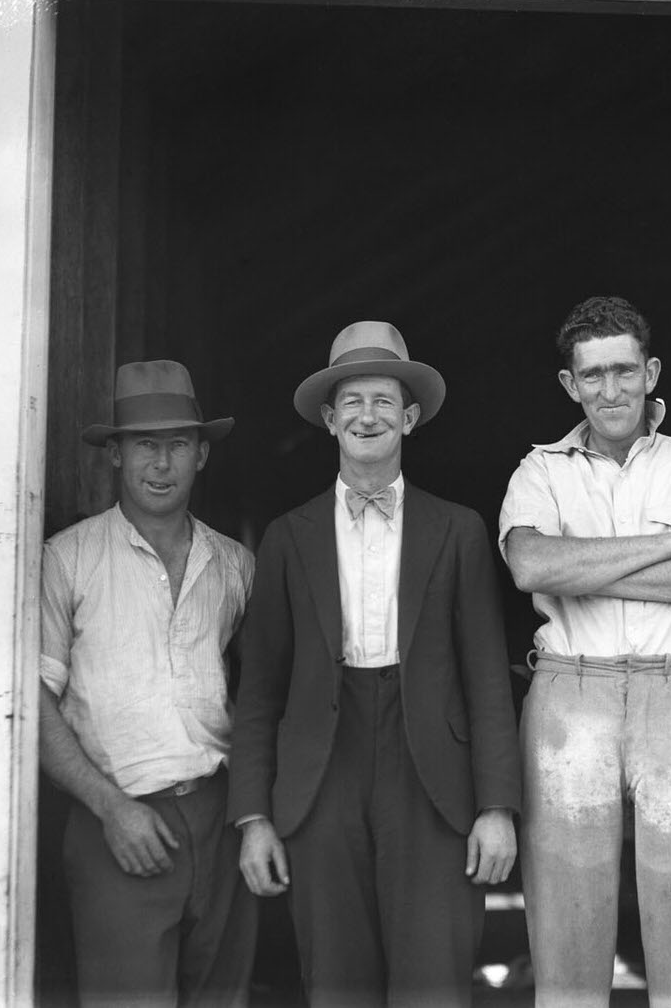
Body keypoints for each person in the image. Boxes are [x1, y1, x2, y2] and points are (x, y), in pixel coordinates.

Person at [229, 320, 521, 1008]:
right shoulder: (286, 537)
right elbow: (259, 689)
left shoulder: (459, 530)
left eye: (384, 401)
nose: (368, 416)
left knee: (435, 980)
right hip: (320, 770)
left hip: (433, 774)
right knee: (336, 979)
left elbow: (486, 674)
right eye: (353, 402)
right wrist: (253, 817)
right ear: (330, 420)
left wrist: (497, 806)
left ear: (410, 418)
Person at [498, 295, 671, 1008]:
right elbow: (532, 567)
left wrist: (586, 566)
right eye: (592, 377)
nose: (609, 391)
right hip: (569, 697)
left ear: (650, 372)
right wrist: (669, 544)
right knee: (566, 940)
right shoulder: (540, 470)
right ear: (569, 385)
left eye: (623, 372)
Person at [39, 359, 256, 1007]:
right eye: (144, 445)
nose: (161, 464)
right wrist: (112, 809)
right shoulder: (68, 559)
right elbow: (33, 704)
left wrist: (251, 811)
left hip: (220, 819)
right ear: (115, 454)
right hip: (117, 821)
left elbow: (261, 690)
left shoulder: (235, 565)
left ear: (202, 455)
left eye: (178, 444)